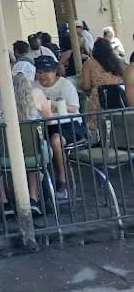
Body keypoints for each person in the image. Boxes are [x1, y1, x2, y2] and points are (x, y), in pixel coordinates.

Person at [0, 72, 53, 216]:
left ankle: (4, 200)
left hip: (4, 155)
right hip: (34, 154)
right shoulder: (38, 94)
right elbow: (49, 120)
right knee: (34, 152)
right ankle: (33, 198)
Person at [35, 55, 83, 202]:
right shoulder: (34, 86)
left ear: (55, 71)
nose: (42, 75)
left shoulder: (65, 85)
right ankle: (37, 187)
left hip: (68, 124)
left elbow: (74, 108)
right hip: (44, 125)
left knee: (55, 141)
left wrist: (54, 104)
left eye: (46, 71)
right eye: (40, 72)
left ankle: (61, 182)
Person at [81, 37, 125, 132]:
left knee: (99, 128)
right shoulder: (118, 63)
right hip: (119, 98)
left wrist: (80, 85)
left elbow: (86, 86)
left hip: (99, 99)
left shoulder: (89, 63)